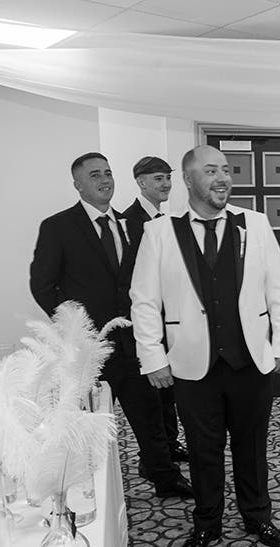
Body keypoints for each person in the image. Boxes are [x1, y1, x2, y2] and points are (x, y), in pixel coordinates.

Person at [129, 145, 280, 547]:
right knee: (203, 452)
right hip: (190, 363)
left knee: (251, 446)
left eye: (226, 170)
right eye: (211, 171)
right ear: (188, 180)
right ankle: (207, 524)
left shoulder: (254, 225)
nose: (222, 178)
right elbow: (144, 301)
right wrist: (153, 357)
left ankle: (257, 516)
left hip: (250, 359)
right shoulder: (160, 232)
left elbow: (279, 289)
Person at [29, 152, 193, 500]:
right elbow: (42, 285)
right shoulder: (57, 226)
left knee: (150, 416)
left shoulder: (132, 224)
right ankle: (86, 485)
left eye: (107, 173)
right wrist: (75, 326)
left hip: (133, 343)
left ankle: (164, 477)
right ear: (78, 185)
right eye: (94, 175)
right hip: (91, 348)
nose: (104, 179)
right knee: (89, 421)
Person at [121, 156, 189, 466]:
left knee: (167, 390)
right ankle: (158, 457)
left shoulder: (166, 219)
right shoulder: (128, 222)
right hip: (147, 318)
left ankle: (171, 445)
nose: (165, 184)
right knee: (154, 391)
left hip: (169, 317)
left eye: (168, 178)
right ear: (141, 182)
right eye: (158, 179)